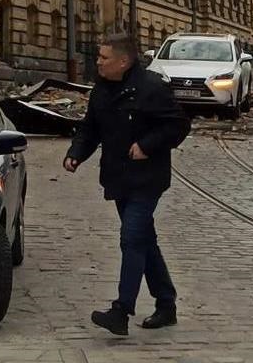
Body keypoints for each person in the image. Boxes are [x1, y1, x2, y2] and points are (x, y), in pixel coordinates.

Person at [64, 34, 191, 336]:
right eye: (98, 56)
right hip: (118, 177)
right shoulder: (101, 91)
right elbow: (90, 129)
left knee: (132, 237)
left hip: (148, 177)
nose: (98, 62)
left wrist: (147, 145)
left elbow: (178, 124)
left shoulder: (151, 87)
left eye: (104, 58)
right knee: (144, 240)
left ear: (123, 61)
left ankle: (121, 310)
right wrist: (75, 154)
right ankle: (166, 304)